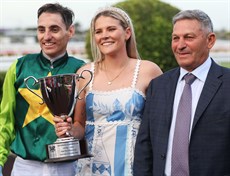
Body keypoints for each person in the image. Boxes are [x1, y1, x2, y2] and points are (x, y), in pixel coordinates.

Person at [53, 6, 162, 175]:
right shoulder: (84, 73)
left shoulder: (149, 70)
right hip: (92, 167)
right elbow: (79, 126)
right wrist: (68, 130)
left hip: (135, 166)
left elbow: (160, 125)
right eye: (98, 31)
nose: (104, 36)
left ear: (127, 33)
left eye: (111, 29)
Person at [133, 9, 230, 176]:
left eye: (189, 37)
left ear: (210, 40)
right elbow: (145, 145)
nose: (180, 45)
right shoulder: (158, 85)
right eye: (175, 38)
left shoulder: (227, 84)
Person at [0, 3, 85, 176]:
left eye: (54, 29)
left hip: (68, 168)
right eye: (41, 29)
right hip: (24, 166)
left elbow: (84, 124)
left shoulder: (81, 69)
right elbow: (5, 121)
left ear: (70, 31)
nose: (46, 36)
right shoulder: (18, 67)